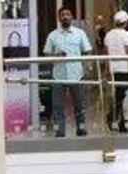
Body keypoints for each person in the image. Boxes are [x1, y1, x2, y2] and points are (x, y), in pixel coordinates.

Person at [43, 7, 93, 137]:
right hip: (58, 76)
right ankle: (60, 130)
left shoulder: (80, 33)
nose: (65, 17)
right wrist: (56, 55)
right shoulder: (53, 35)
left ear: (71, 17)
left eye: (68, 14)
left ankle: (81, 128)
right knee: (58, 106)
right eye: (62, 15)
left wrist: (88, 68)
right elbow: (46, 55)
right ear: (59, 18)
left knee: (79, 105)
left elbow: (87, 52)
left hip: (76, 75)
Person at [104, 10, 128, 133]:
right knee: (121, 97)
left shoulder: (108, 35)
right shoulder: (127, 35)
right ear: (125, 22)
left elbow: (107, 55)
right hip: (125, 70)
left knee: (120, 95)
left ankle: (121, 123)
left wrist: (107, 70)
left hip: (114, 69)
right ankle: (111, 117)